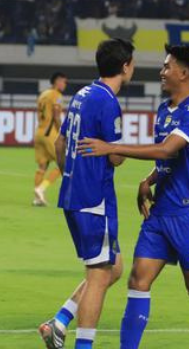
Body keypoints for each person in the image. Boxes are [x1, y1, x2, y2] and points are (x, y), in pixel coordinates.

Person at [76, 45, 189, 349]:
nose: (161, 72)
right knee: (138, 279)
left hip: (186, 214)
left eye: (167, 67)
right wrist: (149, 179)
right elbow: (170, 159)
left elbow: (166, 150)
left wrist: (111, 147)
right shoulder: (165, 109)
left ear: (184, 73)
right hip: (161, 212)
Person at [38, 38, 135, 349]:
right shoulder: (108, 101)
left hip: (74, 196)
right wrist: (123, 150)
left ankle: (59, 321)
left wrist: (72, 176)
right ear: (125, 67)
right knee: (99, 275)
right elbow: (115, 157)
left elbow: (60, 144)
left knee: (113, 268)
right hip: (95, 200)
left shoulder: (82, 94)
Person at [33, 72, 68, 206]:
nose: (65, 84)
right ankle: (41, 189)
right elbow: (56, 115)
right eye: (64, 81)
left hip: (39, 133)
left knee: (42, 166)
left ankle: (37, 198)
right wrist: (62, 132)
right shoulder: (56, 95)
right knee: (64, 163)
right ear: (57, 81)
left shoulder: (43, 94)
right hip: (50, 133)